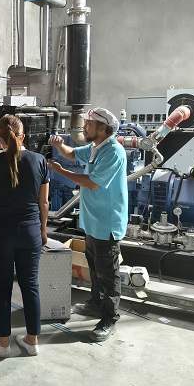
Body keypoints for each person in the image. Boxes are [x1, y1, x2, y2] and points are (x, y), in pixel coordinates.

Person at [48, 107, 128, 342]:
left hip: (107, 222)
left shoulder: (113, 152)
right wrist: (59, 146)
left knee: (108, 274)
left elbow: (92, 182)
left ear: (104, 129)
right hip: (93, 221)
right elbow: (72, 154)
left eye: (90, 124)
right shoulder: (96, 147)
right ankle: (95, 303)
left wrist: (61, 171)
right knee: (94, 268)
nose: (85, 126)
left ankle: (110, 318)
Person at [0, 115, 50, 358]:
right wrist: (43, 230)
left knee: (2, 285)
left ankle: (4, 343)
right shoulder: (39, 160)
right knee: (30, 284)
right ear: (23, 136)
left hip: (2, 231)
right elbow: (44, 203)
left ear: (0, 138)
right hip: (30, 230)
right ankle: (32, 340)